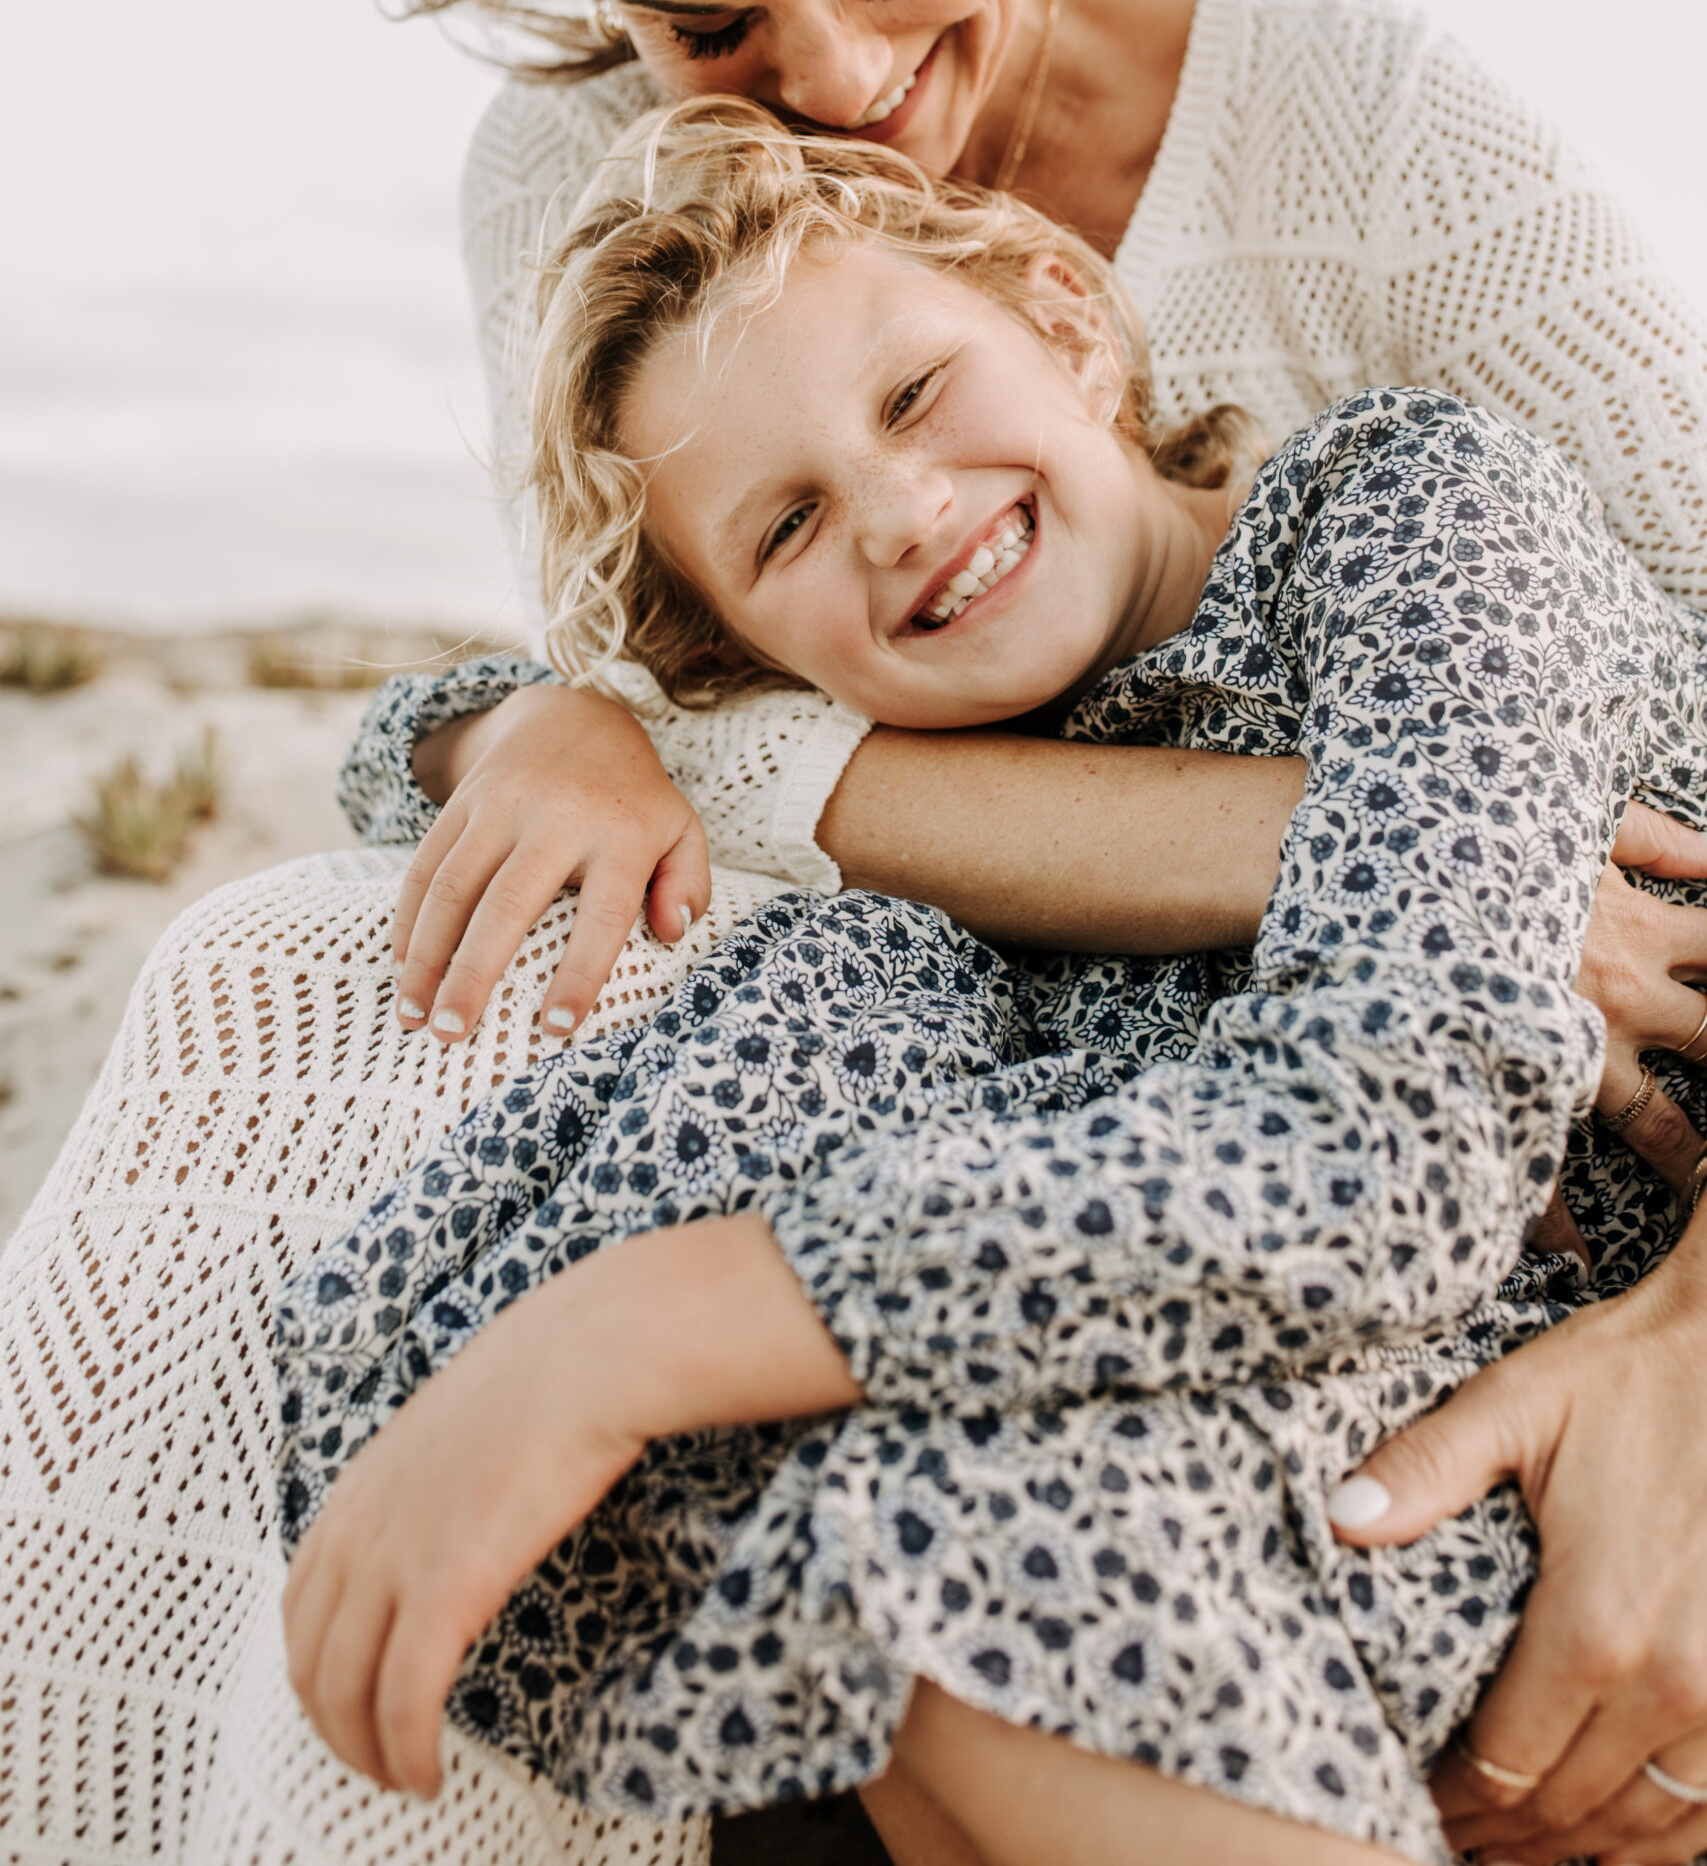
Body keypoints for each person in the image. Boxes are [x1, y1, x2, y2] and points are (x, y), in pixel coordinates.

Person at [3, 0, 1707, 1866]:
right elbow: (711, 715)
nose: (827, 82)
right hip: (1073, 1007)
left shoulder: (1375, 162)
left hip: (1493, 1105)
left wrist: (1681, 1346)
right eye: (696, 25)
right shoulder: (588, 189)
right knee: (302, 983)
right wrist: (554, 720)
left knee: (865, 1434)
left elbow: (1560, 875)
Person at [279, 109, 1707, 1866]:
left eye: (912, 395)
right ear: (750, 664)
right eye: (786, 525)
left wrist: (628, 1335)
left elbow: (1386, 1152)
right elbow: (388, 743)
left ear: (1065, 317)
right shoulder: (978, 833)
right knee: (880, 1484)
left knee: (962, 1537)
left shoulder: (1408, 513)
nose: (898, 513)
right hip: (1362, 1429)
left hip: (1588, 1395)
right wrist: (547, 726)